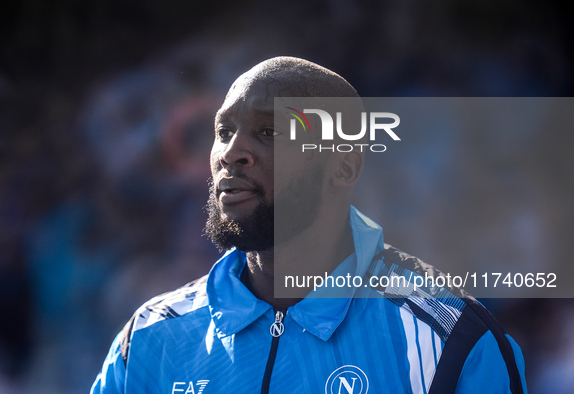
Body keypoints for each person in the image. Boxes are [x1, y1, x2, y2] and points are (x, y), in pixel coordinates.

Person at [91, 57, 527, 394]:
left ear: (342, 167)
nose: (231, 153)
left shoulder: (451, 339)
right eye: (224, 131)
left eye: (270, 132)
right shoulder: (149, 340)